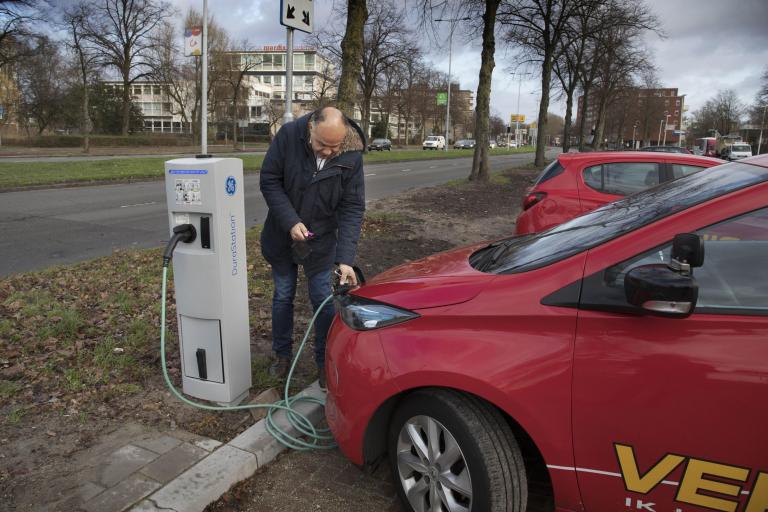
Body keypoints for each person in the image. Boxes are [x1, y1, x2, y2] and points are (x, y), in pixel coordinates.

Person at [259, 106, 366, 389]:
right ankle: (282, 355)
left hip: (321, 244)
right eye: (322, 144)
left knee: (323, 301)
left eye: (335, 146)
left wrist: (345, 259)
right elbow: (269, 180)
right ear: (310, 130)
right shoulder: (288, 135)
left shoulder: (352, 155)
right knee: (283, 296)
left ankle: (323, 362)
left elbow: (352, 207)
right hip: (283, 236)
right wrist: (290, 221)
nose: (328, 152)